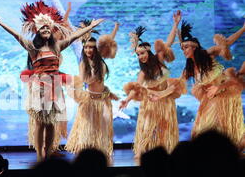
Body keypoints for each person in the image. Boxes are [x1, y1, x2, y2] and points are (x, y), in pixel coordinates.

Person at [0, 0, 104, 160]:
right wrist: (0, 22)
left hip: (54, 88)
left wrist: (91, 26)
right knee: (40, 123)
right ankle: (39, 154)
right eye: (42, 28)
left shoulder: (57, 47)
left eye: (47, 28)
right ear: (37, 31)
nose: (45, 29)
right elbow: (15, 34)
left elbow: (74, 36)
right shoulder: (32, 48)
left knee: (50, 123)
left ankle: (48, 152)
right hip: (40, 88)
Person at [119, 11, 185, 163]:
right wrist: (127, 100)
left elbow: (168, 42)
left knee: (166, 127)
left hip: (165, 99)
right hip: (150, 101)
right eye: (138, 54)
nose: (141, 56)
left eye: (142, 53)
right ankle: (141, 151)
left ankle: (167, 151)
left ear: (148, 51)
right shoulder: (143, 72)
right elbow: (136, 88)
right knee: (147, 127)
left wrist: (175, 24)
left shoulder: (159, 59)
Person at [178, 19, 244, 147]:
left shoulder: (208, 55)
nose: (184, 51)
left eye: (186, 47)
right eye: (182, 48)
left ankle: (228, 150)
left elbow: (227, 42)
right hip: (209, 99)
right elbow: (177, 83)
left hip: (224, 92)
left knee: (222, 127)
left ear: (194, 47)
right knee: (201, 130)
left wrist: (243, 28)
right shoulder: (189, 69)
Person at [65, 20, 119, 163]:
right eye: (86, 47)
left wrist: (115, 28)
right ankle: (86, 155)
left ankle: (102, 151)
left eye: (91, 48)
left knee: (105, 125)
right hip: (90, 100)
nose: (88, 50)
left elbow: (108, 43)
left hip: (103, 99)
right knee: (88, 129)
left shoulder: (100, 61)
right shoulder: (84, 63)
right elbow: (86, 80)